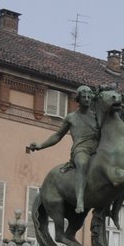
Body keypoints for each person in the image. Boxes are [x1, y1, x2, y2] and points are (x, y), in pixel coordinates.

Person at [26, 84, 99, 212]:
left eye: (89, 96)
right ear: (78, 99)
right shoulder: (71, 117)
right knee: (82, 163)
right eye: (84, 97)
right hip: (81, 149)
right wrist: (40, 145)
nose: (87, 99)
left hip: (97, 148)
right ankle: (80, 200)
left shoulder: (96, 116)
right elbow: (58, 135)